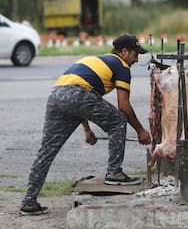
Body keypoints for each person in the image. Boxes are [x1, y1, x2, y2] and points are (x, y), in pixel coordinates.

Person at [20, 34, 152, 216]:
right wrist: (140, 130)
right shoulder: (121, 66)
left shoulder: (95, 60)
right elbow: (124, 105)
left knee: (46, 151)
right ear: (124, 52)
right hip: (76, 94)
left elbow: (80, 92)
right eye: (135, 54)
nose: (136, 59)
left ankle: (29, 201)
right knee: (118, 121)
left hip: (56, 95)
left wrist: (87, 130)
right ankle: (114, 173)